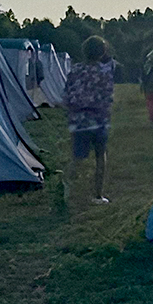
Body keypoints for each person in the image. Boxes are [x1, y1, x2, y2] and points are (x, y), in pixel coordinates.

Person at [62, 34, 116, 204]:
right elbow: (108, 97)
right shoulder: (103, 72)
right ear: (102, 53)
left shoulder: (75, 70)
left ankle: (67, 188)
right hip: (98, 120)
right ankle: (98, 195)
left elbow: (67, 94)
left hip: (78, 120)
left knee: (77, 157)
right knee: (101, 156)